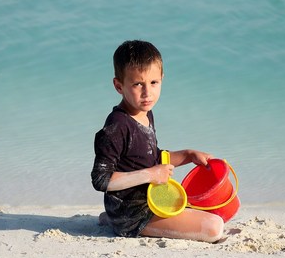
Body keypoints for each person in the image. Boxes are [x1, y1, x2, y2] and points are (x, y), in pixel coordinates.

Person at [91, 40, 224, 242]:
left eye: (154, 83)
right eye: (138, 84)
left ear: (162, 78)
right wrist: (150, 175)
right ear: (119, 86)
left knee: (211, 207)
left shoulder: (145, 113)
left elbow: (150, 157)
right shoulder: (116, 126)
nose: (147, 93)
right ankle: (117, 220)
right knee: (214, 227)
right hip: (132, 211)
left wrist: (188, 155)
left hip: (151, 200)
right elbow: (101, 179)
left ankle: (111, 218)